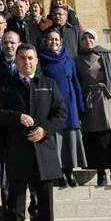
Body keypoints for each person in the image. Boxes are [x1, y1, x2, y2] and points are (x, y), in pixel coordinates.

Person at [0, 44, 67, 221]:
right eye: (22, 58)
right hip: (18, 148)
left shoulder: (48, 84)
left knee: (45, 193)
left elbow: (60, 113)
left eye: (30, 58)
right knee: (17, 194)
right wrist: (17, 117)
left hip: (43, 148)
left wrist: (44, 130)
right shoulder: (7, 86)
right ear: (16, 61)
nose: (26, 62)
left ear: (36, 60)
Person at [76, 29, 111, 187]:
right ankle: (100, 172)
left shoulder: (107, 55)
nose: (88, 41)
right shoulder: (77, 59)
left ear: (96, 39)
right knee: (95, 140)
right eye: (84, 38)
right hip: (89, 102)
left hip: (107, 100)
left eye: (91, 38)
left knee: (110, 138)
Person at [39, 29, 87, 187]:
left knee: (69, 139)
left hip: (70, 102)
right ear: (46, 41)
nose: (53, 42)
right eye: (50, 40)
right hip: (52, 103)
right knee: (57, 140)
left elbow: (76, 82)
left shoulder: (69, 59)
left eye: (56, 40)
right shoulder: (41, 58)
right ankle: (58, 172)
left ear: (61, 41)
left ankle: (69, 171)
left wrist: (80, 105)